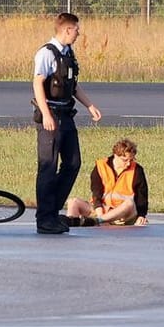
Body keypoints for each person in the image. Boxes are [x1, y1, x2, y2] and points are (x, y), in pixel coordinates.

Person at [32, 12, 103, 234]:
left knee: (73, 163)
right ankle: (44, 219)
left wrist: (89, 105)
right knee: (48, 167)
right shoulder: (46, 53)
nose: (78, 33)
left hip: (66, 114)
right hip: (50, 115)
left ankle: (53, 211)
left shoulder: (68, 54)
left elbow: (73, 86)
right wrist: (46, 115)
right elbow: (37, 84)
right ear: (66, 30)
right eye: (76, 30)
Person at [64, 137, 150, 226]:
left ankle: (97, 221)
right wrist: (100, 212)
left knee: (129, 203)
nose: (128, 163)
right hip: (101, 209)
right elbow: (96, 192)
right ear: (116, 155)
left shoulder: (137, 170)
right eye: (125, 160)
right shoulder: (101, 166)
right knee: (73, 202)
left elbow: (142, 196)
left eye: (131, 160)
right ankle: (71, 224)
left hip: (123, 214)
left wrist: (141, 215)